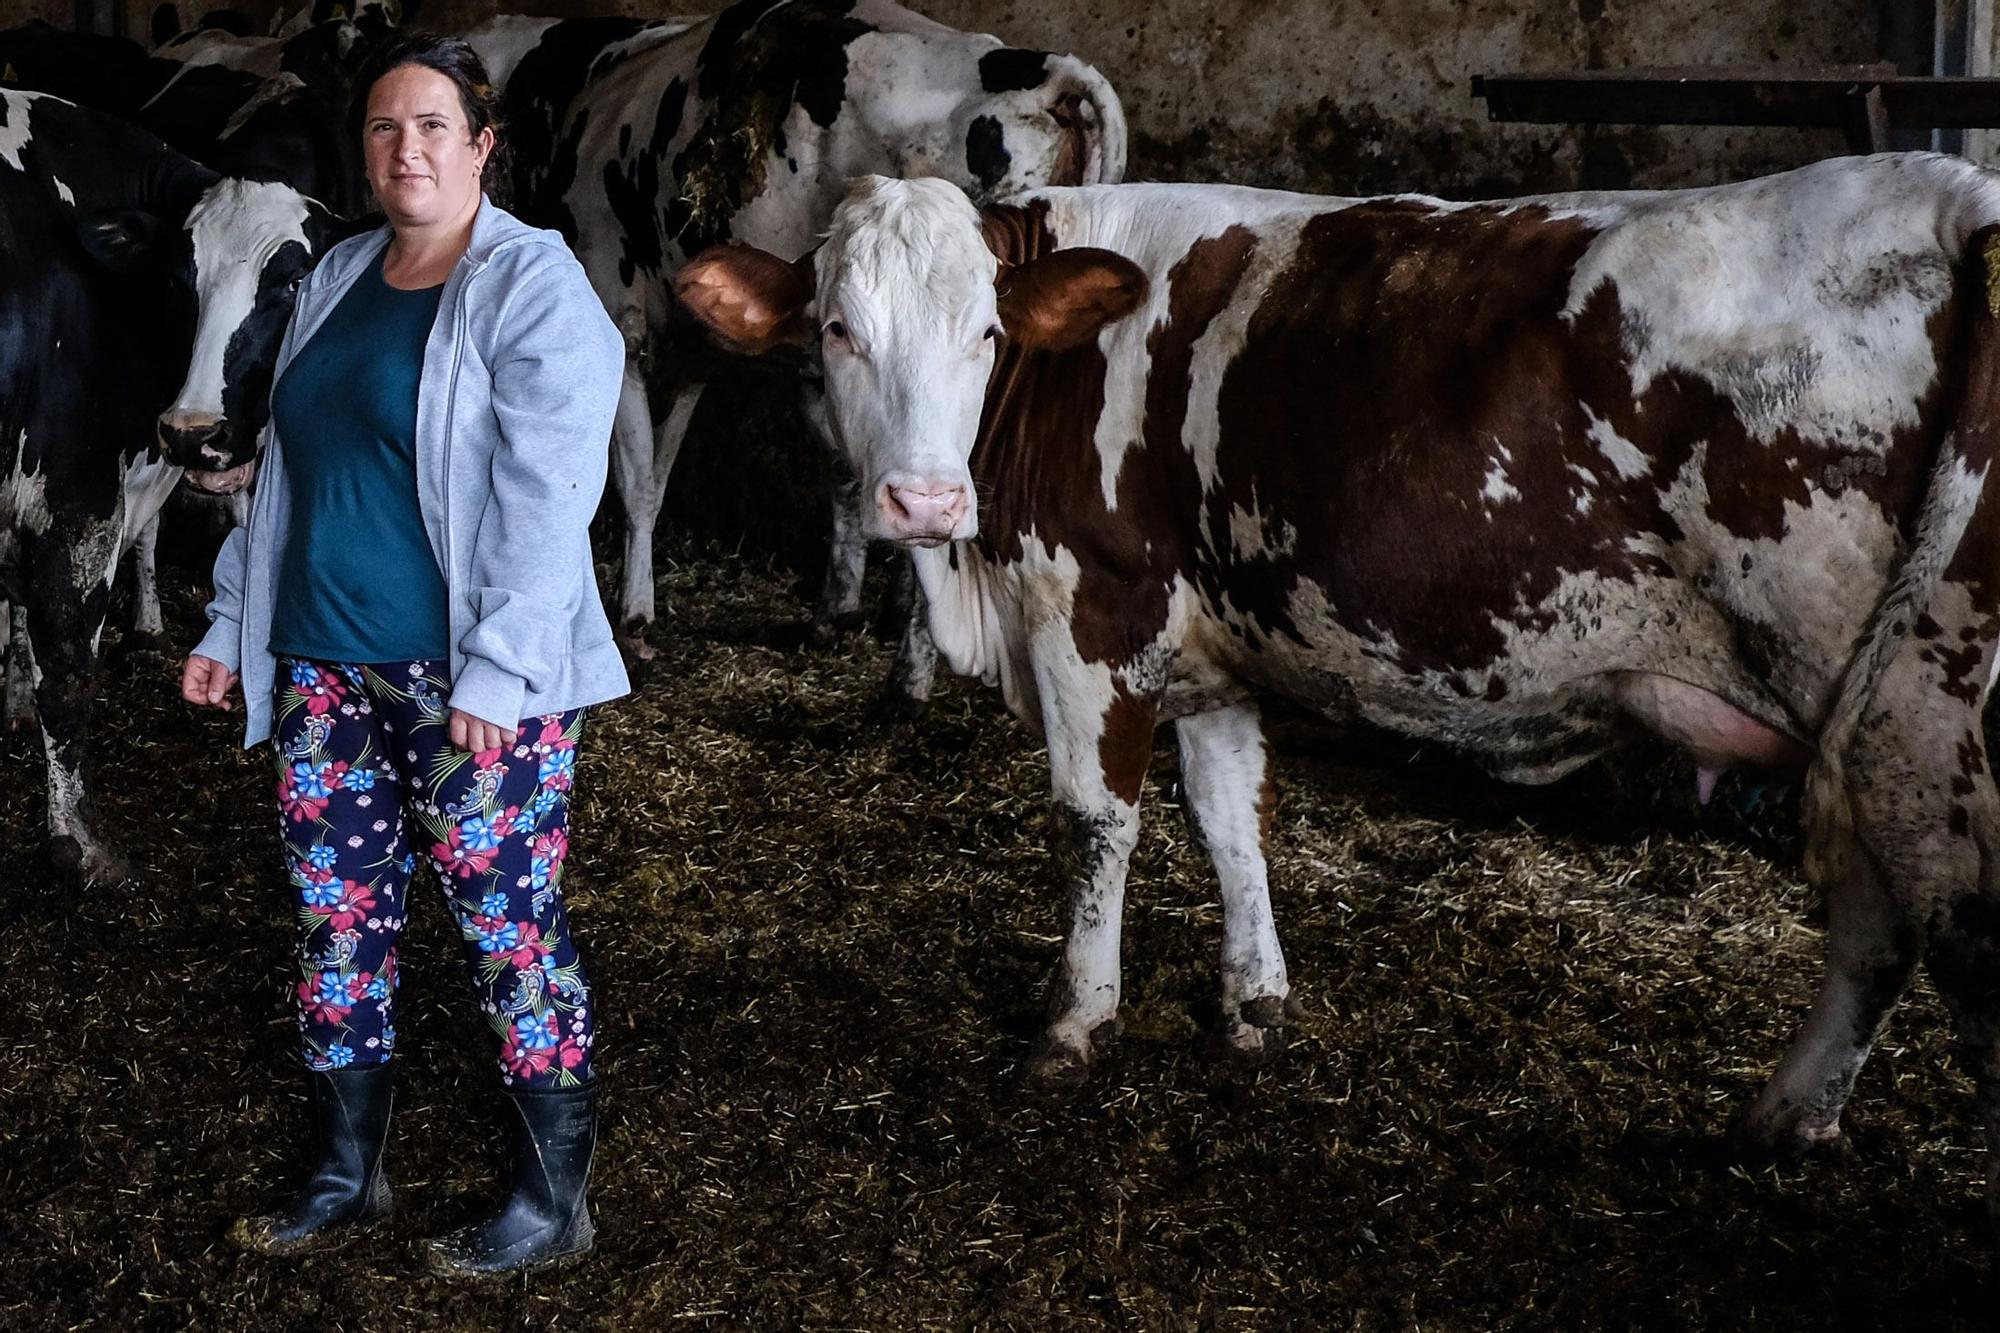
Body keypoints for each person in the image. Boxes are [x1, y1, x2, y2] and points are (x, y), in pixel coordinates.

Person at [179, 33, 628, 1275]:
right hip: (324, 669)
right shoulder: (337, 274)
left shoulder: (532, 285)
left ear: (483, 145)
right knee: (337, 921)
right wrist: (234, 621)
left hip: (471, 688)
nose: (407, 148)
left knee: (507, 929)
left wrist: (498, 669)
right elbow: (290, 472)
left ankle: (552, 1201)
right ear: (362, 153)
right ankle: (345, 1172)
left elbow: (549, 494)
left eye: (434, 125)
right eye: (385, 128)